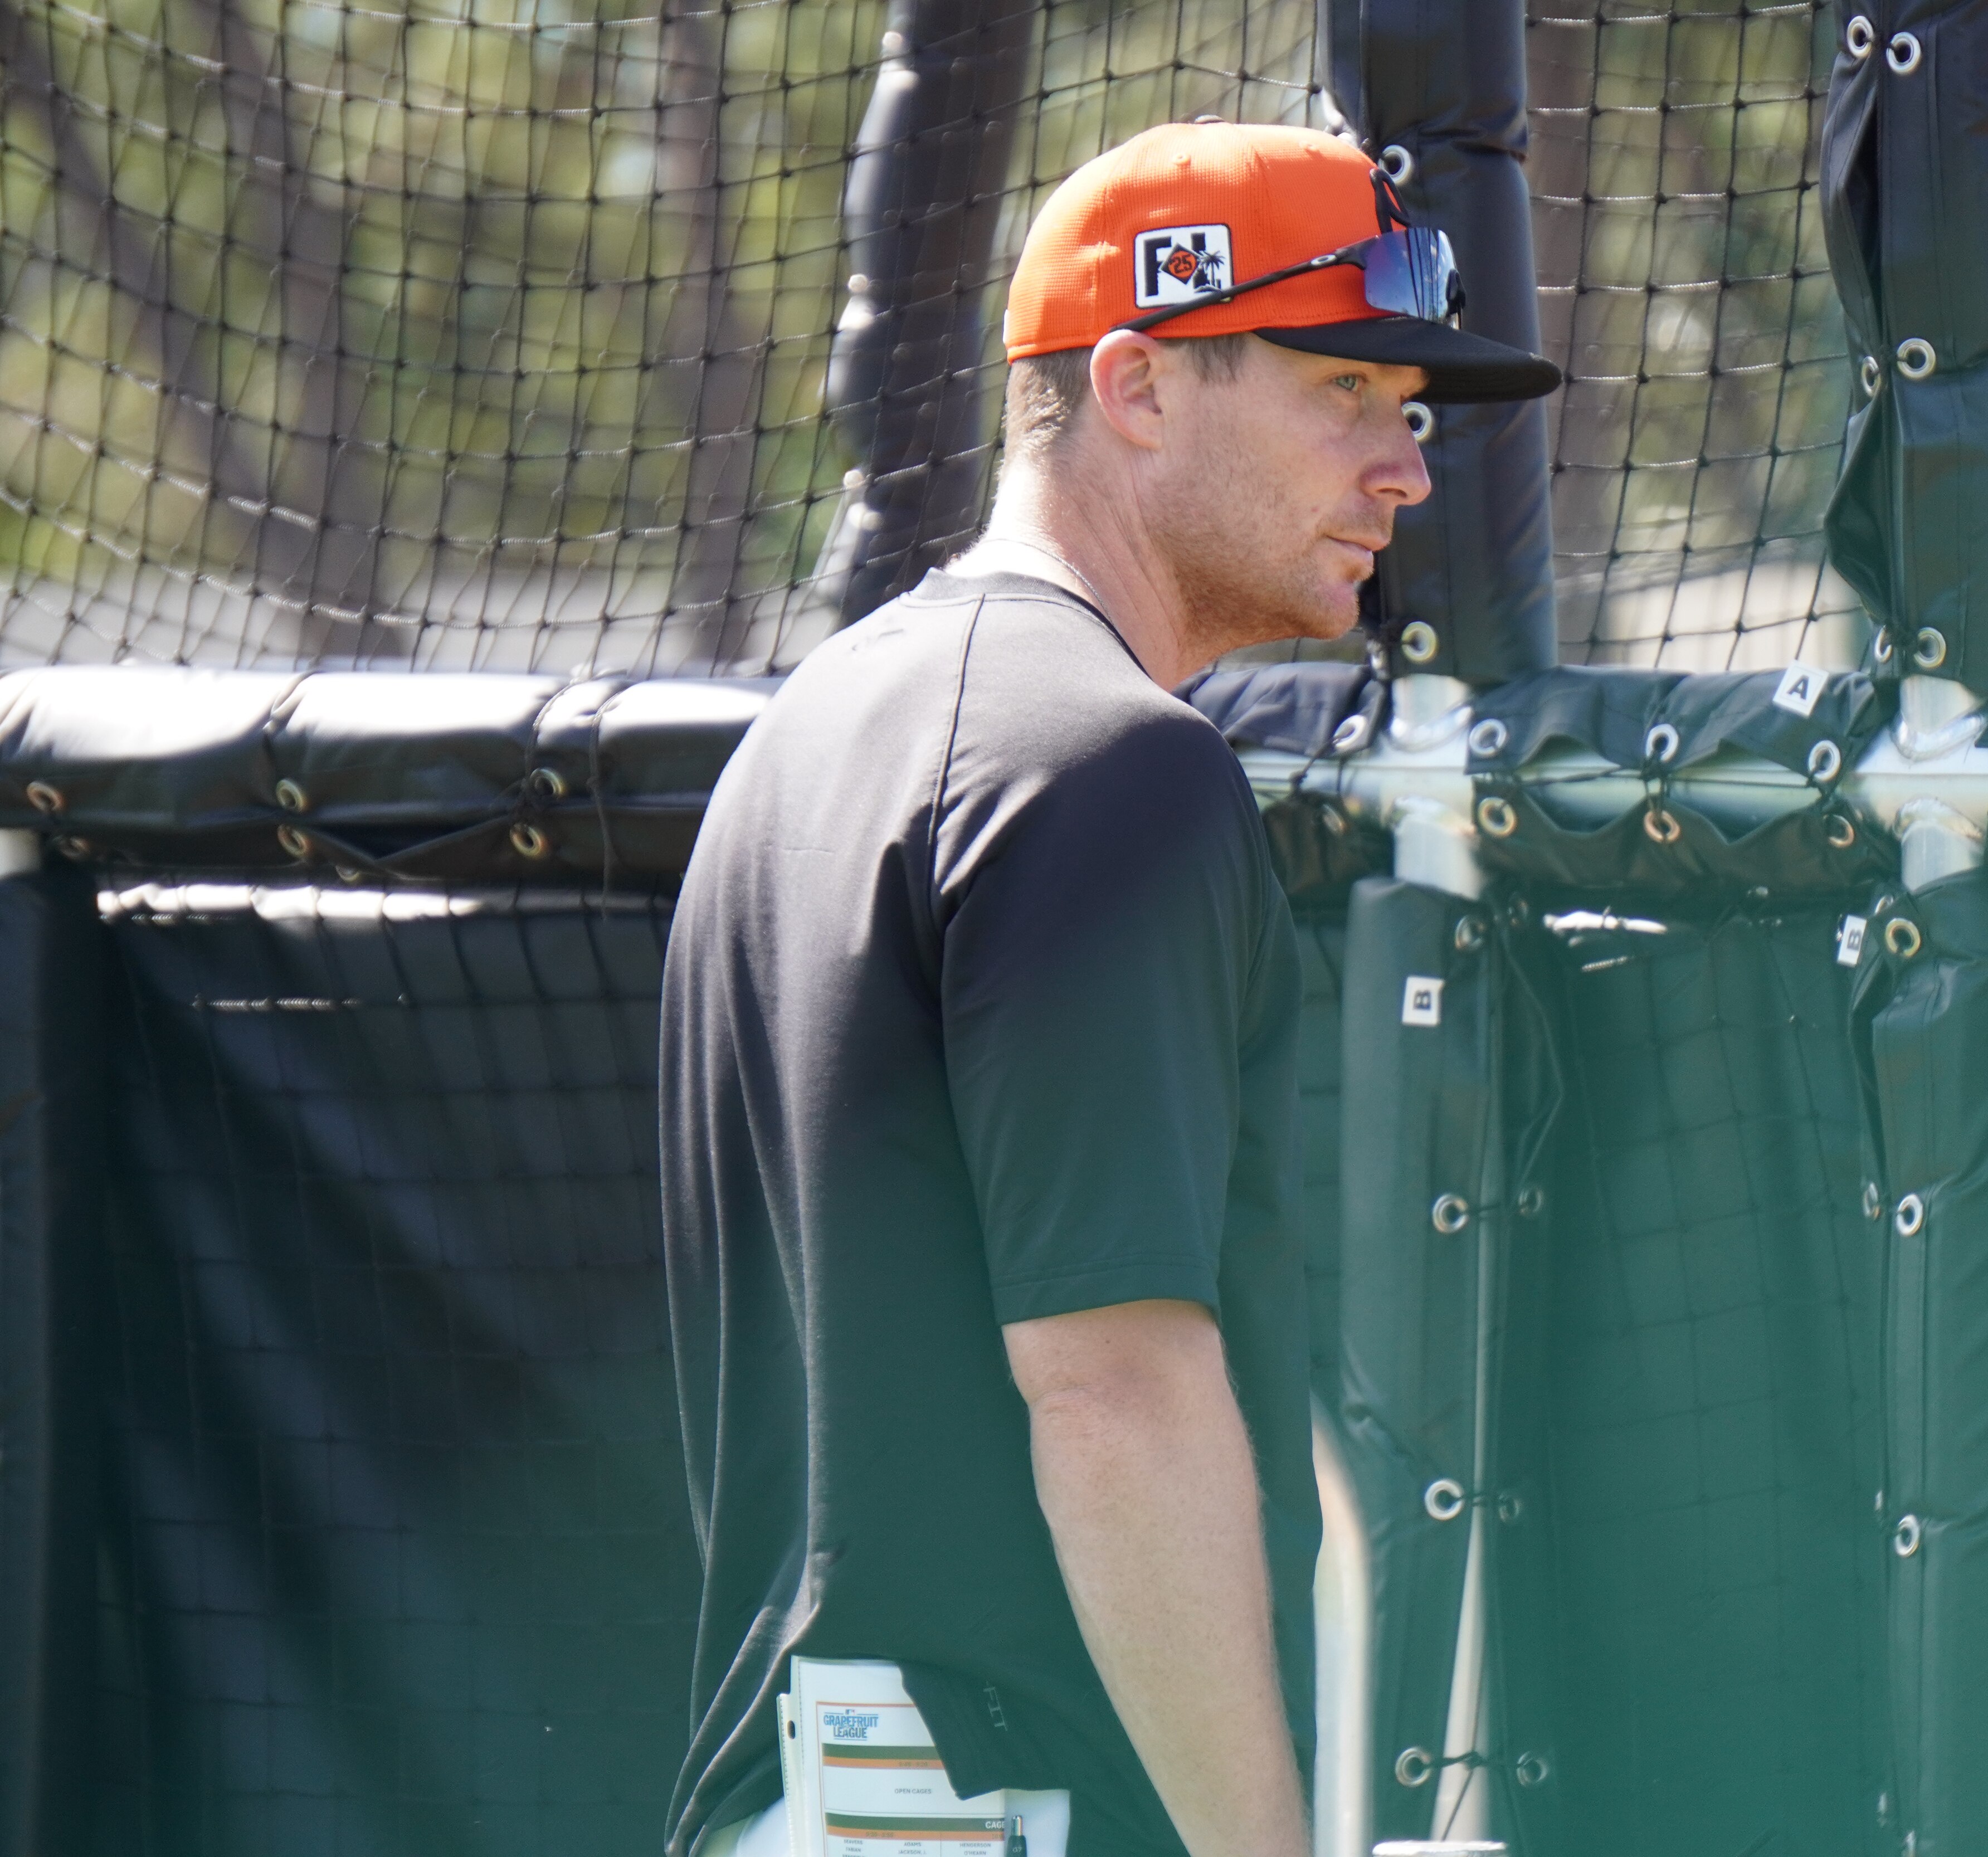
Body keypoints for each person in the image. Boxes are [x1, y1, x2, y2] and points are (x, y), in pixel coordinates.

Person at [656, 120, 1558, 1857]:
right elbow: (1112, 1390)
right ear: (1136, 383)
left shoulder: (819, 725)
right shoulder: (1106, 766)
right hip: (991, 1815)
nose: (1406, 471)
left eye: (1410, 409)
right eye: (1346, 392)